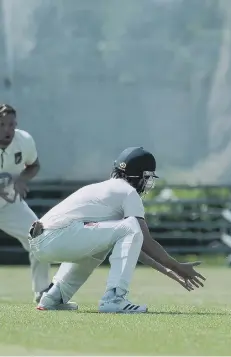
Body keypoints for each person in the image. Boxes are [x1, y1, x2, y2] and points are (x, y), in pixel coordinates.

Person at [29, 147, 206, 313]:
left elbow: (135, 247)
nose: (148, 182)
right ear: (140, 176)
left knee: (104, 243)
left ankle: (54, 297)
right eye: (148, 177)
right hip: (60, 236)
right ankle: (114, 299)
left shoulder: (105, 189)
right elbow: (144, 240)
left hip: (42, 241)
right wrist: (176, 266)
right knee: (131, 226)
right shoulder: (128, 192)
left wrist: (170, 271)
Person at [0, 104, 51, 304]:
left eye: (11, 125)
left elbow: (34, 165)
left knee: (39, 237)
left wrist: (21, 179)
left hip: (9, 205)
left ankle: (42, 292)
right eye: (2, 124)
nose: (7, 130)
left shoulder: (24, 140)